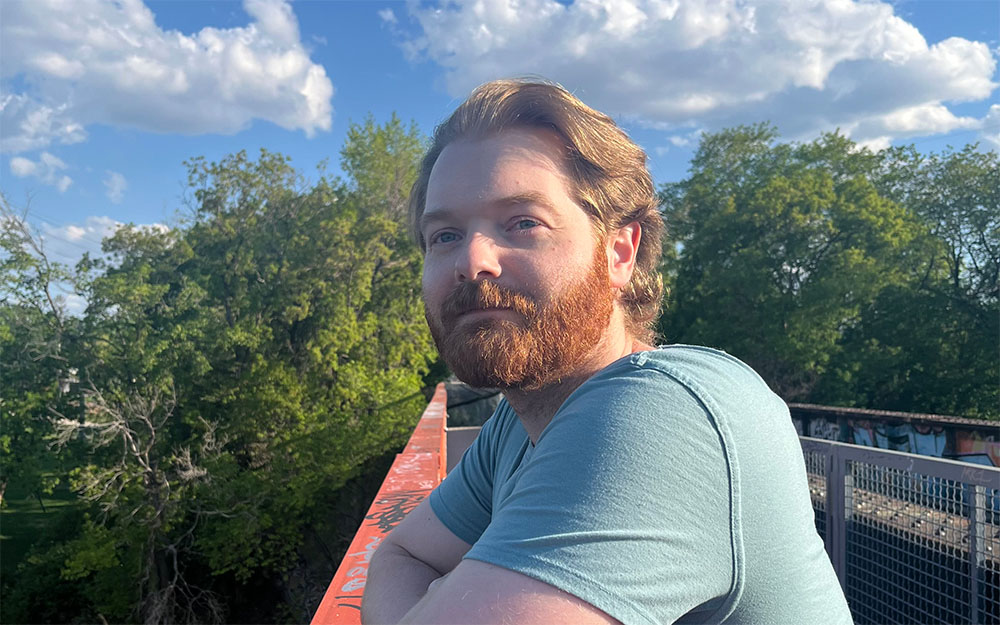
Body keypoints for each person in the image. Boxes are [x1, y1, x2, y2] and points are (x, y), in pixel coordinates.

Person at [361, 79, 852, 625]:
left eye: (523, 222)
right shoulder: (514, 426)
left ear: (620, 252)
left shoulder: (667, 412)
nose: (473, 260)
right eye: (444, 235)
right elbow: (401, 556)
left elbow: (407, 570)